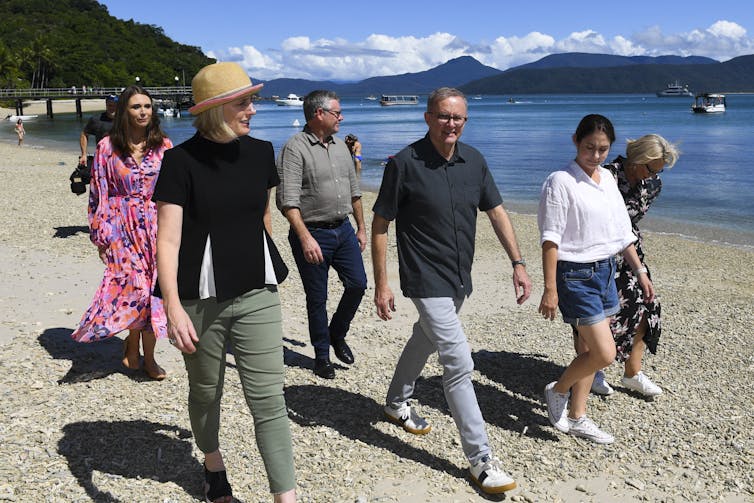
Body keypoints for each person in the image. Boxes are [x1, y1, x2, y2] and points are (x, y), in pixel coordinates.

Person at [371, 87, 532, 495]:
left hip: (459, 278)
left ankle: (395, 401)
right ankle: (480, 460)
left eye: (458, 118)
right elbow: (379, 225)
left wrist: (518, 262)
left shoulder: (473, 160)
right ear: (428, 117)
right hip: (424, 280)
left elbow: (496, 211)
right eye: (444, 116)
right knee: (459, 362)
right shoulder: (404, 164)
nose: (451, 124)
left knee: (423, 339)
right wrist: (382, 283)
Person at [154, 62, 296, 503]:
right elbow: (168, 240)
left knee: (269, 400)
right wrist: (172, 307)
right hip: (199, 299)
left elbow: (263, 216)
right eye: (243, 102)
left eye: (251, 100)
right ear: (215, 109)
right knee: (206, 391)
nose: (252, 109)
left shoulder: (260, 152)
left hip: (257, 289)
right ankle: (213, 466)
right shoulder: (179, 162)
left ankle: (285, 497)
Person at [538, 114, 655, 444]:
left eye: (603, 149)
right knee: (605, 353)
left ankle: (577, 417)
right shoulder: (560, 181)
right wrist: (550, 289)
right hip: (574, 274)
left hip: (606, 271)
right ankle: (558, 390)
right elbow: (550, 239)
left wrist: (641, 272)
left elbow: (622, 233)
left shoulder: (606, 180)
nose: (596, 155)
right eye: (590, 147)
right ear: (575, 140)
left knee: (589, 348)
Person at [71, 85, 172, 381]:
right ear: (123, 111)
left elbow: (176, 190)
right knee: (134, 289)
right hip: (120, 228)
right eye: (136, 107)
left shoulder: (163, 145)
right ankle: (134, 349)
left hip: (155, 226)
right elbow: (98, 192)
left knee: (153, 291)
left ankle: (143, 354)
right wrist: (100, 234)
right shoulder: (106, 147)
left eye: (147, 107)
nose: (143, 112)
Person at [276, 90, 367, 379]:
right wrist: (304, 237)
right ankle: (322, 356)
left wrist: (362, 227)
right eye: (336, 112)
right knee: (317, 297)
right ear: (319, 114)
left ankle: (336, 333)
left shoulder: (341, 147)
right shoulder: (295, 148)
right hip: (313, 232)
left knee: (358, 284)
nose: (341, 117)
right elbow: (287, 200)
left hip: (343, 230)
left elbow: (354, 192)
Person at [587, 134, 679, 397]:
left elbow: (632, 222)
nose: (652, 175)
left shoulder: (653, 184)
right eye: (651, 168)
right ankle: (591, 370)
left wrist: (638, 266)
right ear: (639, 157)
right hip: (599, 252)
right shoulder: (605, 176)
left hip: (630, 250)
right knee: (596, 313)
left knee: (648, 304)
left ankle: (632, 373)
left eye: (658, 171)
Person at [79, 94, 118, 168]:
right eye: (110, 105)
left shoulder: (125, 120)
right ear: (106, 105)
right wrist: (84, 154)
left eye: (115, 105)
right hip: (101, 158)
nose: (112, 108)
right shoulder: (96, 119)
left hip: (120, 158)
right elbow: (84, 134)